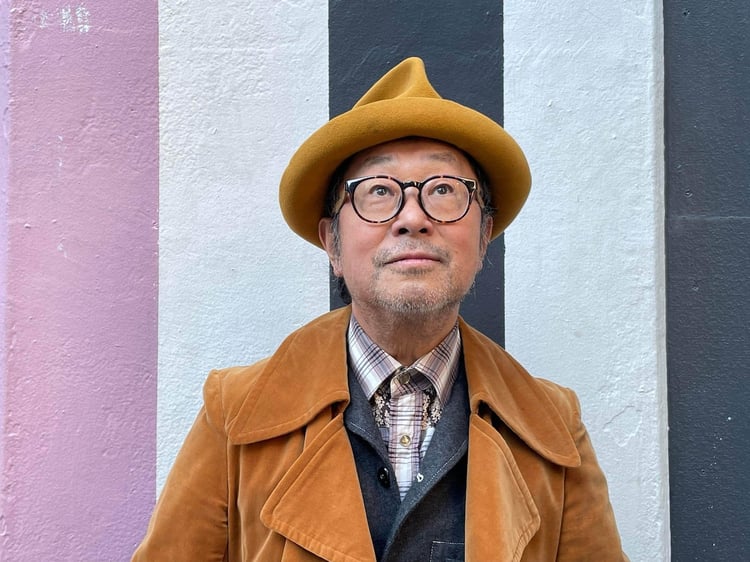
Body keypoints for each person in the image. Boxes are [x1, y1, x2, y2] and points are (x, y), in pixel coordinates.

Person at [132, 57, 627, 561]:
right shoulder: (234, 414)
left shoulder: (554, 428)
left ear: (484, 236)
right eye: (378, 192)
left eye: (444, 190)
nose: (412, 218)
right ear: (332, 243)